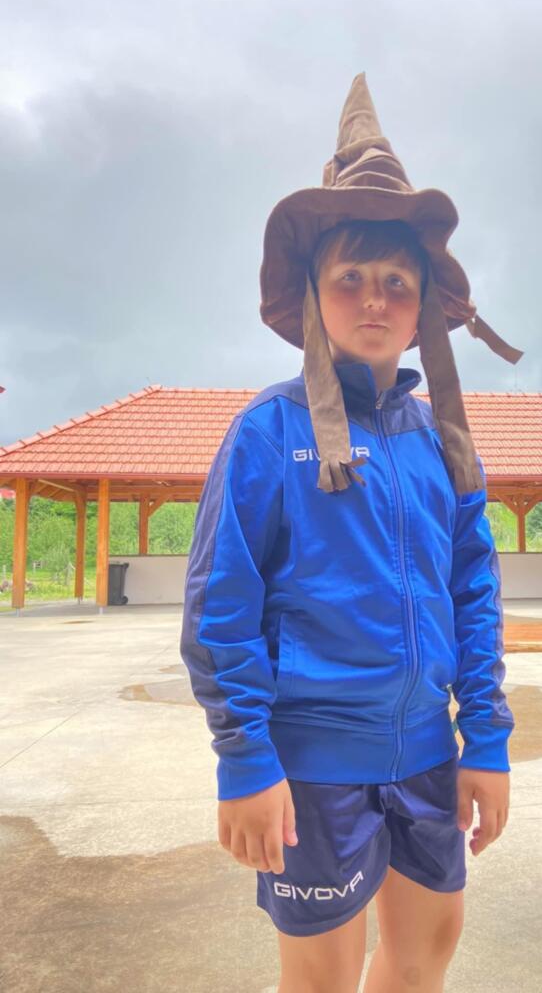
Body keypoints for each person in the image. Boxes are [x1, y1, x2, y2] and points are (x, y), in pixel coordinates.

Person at [180, 73, 524, 993]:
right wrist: (245, 758)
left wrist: (486, 741)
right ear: (314, 297)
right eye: (351, 280)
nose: (375, 300)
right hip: (312, 769)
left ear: (422, 307)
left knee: (422, 956)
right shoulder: (267, 432)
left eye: (396, 283)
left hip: (429, 756)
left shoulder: (444, 444)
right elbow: (220, 606)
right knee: (320, 979)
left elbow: (474, 596)